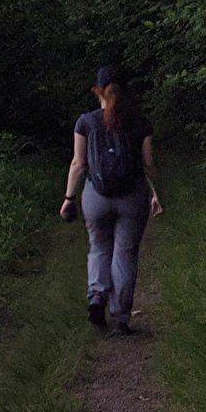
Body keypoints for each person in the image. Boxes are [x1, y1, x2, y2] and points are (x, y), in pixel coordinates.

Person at [60, 66, 164, 335]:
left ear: (97, 90)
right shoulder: (141, 123)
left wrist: (69, 198)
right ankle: (120, 318)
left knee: (98, 247)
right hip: (132, 198)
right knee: (125, 253)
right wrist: (156, 194)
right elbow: (148, 164)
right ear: (125, 91)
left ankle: (96, 295)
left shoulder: (85, 122)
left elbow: (78, 164)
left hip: (96, 197)